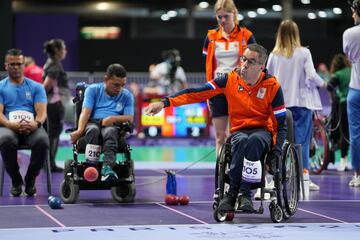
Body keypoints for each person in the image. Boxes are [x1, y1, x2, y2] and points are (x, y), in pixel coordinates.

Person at [145, 43, 287, 212]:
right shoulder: (228, 80)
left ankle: (246, 193)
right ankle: (232, 194)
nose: (244, 64)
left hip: (263, 131)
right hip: (239, 131)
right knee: (241, 141)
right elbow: (195, 92)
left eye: (250, 62)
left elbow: (282, 125)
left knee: (255, 140)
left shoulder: (272, 86)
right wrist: (164, 102)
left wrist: (275, 153)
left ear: (261, 67)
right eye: (243, 59)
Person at [266, 19, 326, 191]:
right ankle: (304, 179)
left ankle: (276, 178)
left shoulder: (273, 55)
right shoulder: (304, 53)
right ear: (296, 34)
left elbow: (268, 78)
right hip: (301, 105)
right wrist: (324, 84)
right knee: (302, 144)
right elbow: (312, 75)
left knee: (278, 143)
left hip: (280, 107)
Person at [203, 0, 256, 157]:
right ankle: (220, 174)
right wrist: (207, 92)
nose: (222, 21)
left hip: (239, 90)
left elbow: (256, 63)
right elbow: (208, 66)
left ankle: (236, 167)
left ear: (234, 14)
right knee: (220, 137)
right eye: (219, 17)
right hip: (217, 90)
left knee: (237, 135)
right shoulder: (211, 37)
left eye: (226, 16)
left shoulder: (246, 36)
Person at [70, 64, 134, 182]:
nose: (119, 89)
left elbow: (130, 118)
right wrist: (79, 131)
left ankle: (107, 168)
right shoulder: (93, 90)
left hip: (112, 127)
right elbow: (85, 112)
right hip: (93, 123)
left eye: (122, 85)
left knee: (110, 131)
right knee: (93, 130)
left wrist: (113, 119)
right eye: (115, 84)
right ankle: (91, 166)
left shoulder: (127, 96)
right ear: (106, 79)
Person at [0, 49, 49, 197]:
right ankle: (16, 180)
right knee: (5, 140)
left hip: (32, 127)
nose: (16, 67)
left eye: (19, 64)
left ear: (24, 65)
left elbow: (42, 112)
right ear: (6, 66)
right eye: (12, 64)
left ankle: (30, 179)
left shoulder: (37, 87)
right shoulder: (1, 87)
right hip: (9, 127)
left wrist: (36, 123)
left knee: (42, 141)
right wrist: (9, 124)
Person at [42, 38, 70, 172]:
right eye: (64, 48)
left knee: (52, 134)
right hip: (54, 105)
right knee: (53, 134)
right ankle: (49, 164)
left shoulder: (51, 63)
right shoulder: (55, 65)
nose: (66, 51)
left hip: (53, 104)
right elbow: (47, 85)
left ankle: (48, 163)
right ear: (57, 51)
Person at [343, 0, 360, 187]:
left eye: (353, 12)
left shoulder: (350, 33)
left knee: (356, 135)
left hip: (356, 89)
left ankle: (359, 174)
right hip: (355, 89)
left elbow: (350, 57)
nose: (352, 15)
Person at [327, 54, 351, 171]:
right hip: (357, 102)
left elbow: (329, 86)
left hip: (344, 103)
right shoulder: (352, 70)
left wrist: (334, 97)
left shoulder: (338, 74)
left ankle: (343, 160)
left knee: (345, 132)